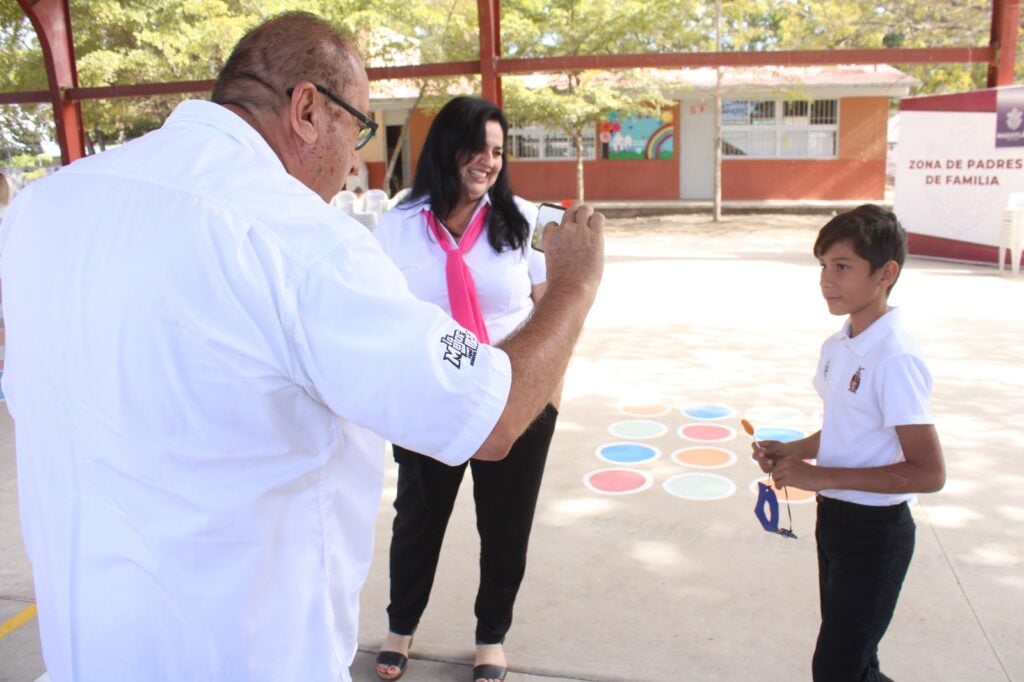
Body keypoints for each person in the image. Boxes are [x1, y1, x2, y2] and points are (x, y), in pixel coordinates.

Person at [0, 12, 605, 682]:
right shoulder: (301, 241)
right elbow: (493, 417)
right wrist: (575, 281)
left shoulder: (42, 210)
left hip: (86, 655)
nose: (353, 160)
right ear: (308, 109)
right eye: (358, 128)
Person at [372, 96, 558, 682]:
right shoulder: (399, 226)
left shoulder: (524, 221)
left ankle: (490, 638)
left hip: (513, 398)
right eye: (477, 147)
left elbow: (550, 312)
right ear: (447, 148)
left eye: (499, 151)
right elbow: (381, 314)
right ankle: (401, 627)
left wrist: (549, 392)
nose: (488, 161)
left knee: (506, 523)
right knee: (418, 520)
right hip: (431, 398)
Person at [752, 204, 945, 682]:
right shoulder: (839, 345)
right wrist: (794, 451)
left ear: (886, 273)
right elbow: (847, 426)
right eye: (822, 266)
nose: (826, 280)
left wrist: (818, 475)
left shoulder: (894, 356)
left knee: (837, 668)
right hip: (835, 520)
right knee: (855, 662)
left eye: (842, 267)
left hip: (876, 533)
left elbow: (929, 472)